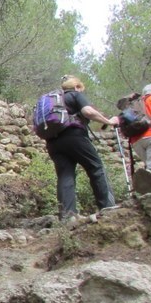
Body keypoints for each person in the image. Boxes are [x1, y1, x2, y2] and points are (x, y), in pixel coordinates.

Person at [45, 75, 119, 219]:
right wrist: (109, 122)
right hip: (74, 136)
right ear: (77, 86)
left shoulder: (54, 100)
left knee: (65, 175)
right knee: (96, 167)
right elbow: (88, 112)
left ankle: (67, 217)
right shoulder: (76, 94)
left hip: (53, 142)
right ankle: (108, 208)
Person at [126, 83, 151, 196]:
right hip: (150, 137)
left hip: (135, 141)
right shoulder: (150, 99)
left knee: (150, 165)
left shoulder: (130, 109)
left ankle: (148, 192)